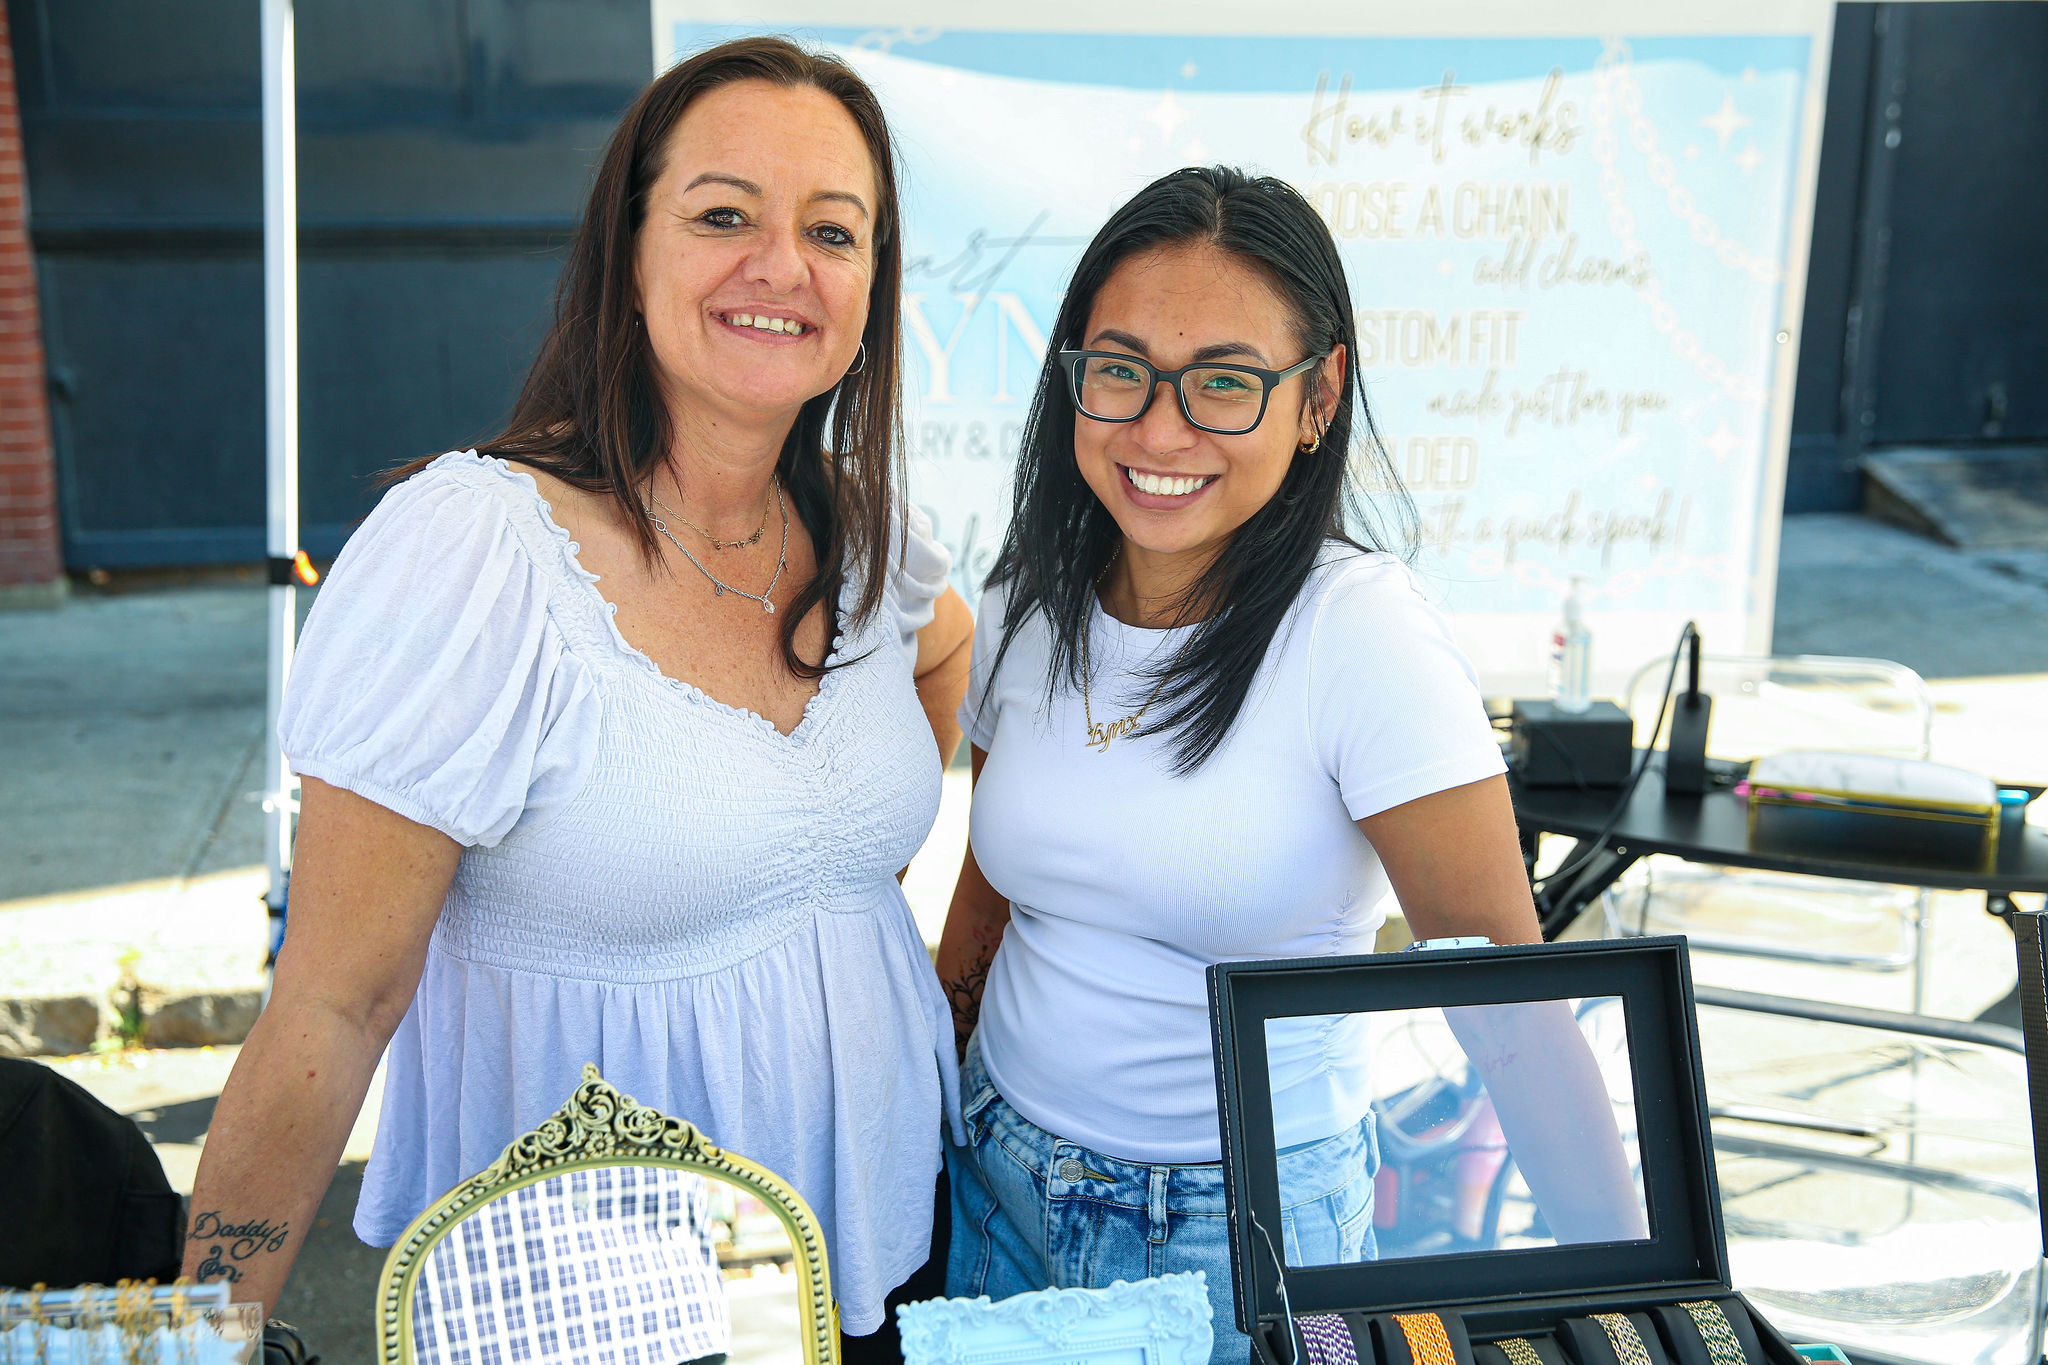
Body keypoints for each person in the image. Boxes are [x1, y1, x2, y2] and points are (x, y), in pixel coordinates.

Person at [182, 37, 972, 1350]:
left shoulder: (863, 530)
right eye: (724, 214)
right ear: (628, 248)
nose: (781, 266)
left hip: (885, 1247)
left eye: (833, 231)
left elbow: (941, 665)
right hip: (592, 1300)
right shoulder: (478, 553)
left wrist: (838, 884)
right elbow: (330, 1001)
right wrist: (206, 1329)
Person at [936, 167, 1640, 1364]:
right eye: (1119, 370)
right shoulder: (1026, 600)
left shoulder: (1357, 632)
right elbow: (987, 902)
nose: (1159, 432)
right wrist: (934, 1124)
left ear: (1315, 398)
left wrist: (1638, 1296)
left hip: (1234, 1235)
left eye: (1223, 383)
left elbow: (1503, 1003)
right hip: (997, 1182)